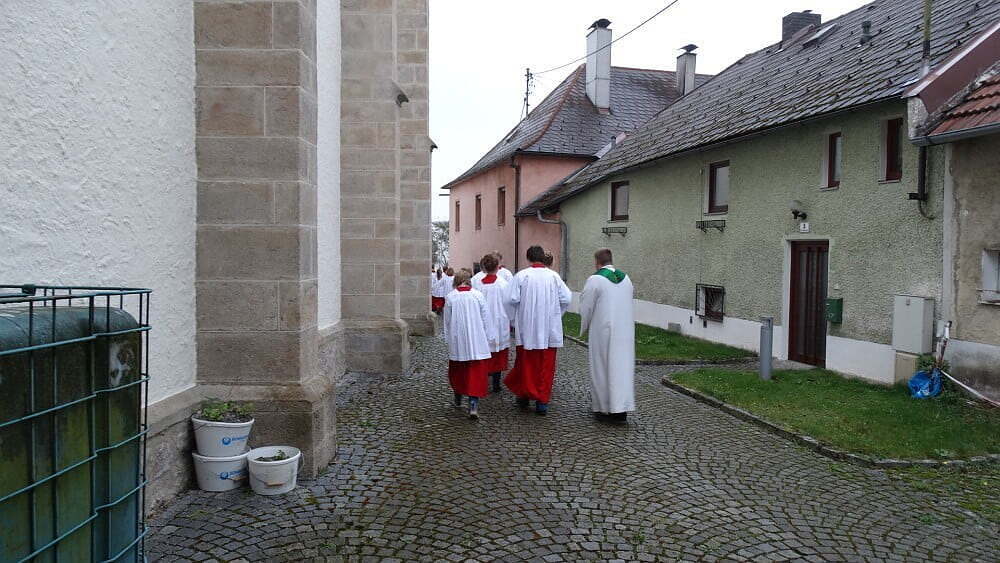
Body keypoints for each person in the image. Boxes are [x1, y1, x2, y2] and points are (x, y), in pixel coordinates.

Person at [504, 245, 572, 415]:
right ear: (542, 258)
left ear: (528, 258)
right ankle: (542, 402)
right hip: (548, 329)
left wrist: (514, 319)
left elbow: (510, 299)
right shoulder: (554, 276)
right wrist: (556, 315)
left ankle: (524, 396)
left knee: (526, 364)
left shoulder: (522, 276)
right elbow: (566, 298)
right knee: (546, 366)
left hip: (527, 329)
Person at [578, 248, 635, 424]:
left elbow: (586, 306)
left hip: (603, 332)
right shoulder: (626, 279)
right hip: (624, 331)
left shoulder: (595, 279)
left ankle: (604, 408)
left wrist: (584, 325)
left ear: (597, 262)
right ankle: (621, 409)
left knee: (602, 368)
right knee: (622, 369)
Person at [443, 269, 491, 420]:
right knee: (475, 373)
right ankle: (473, 404)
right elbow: (485, 318)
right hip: (476, 340)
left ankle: (458, 397)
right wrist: (487, 337)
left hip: (458, 341)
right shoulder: (478, 295)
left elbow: (447, 321)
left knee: (458, 371)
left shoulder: (451, 297)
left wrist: (449, 339)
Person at [472, 253, 513, 393]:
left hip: (482, 322)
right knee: (498, 355)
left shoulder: (477, 284)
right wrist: (510, 319)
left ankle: (482, 379)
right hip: (499, 322)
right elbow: (509, 303)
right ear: (497, 267)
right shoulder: (503, 284)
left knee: (483, 352)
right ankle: (496, 383)